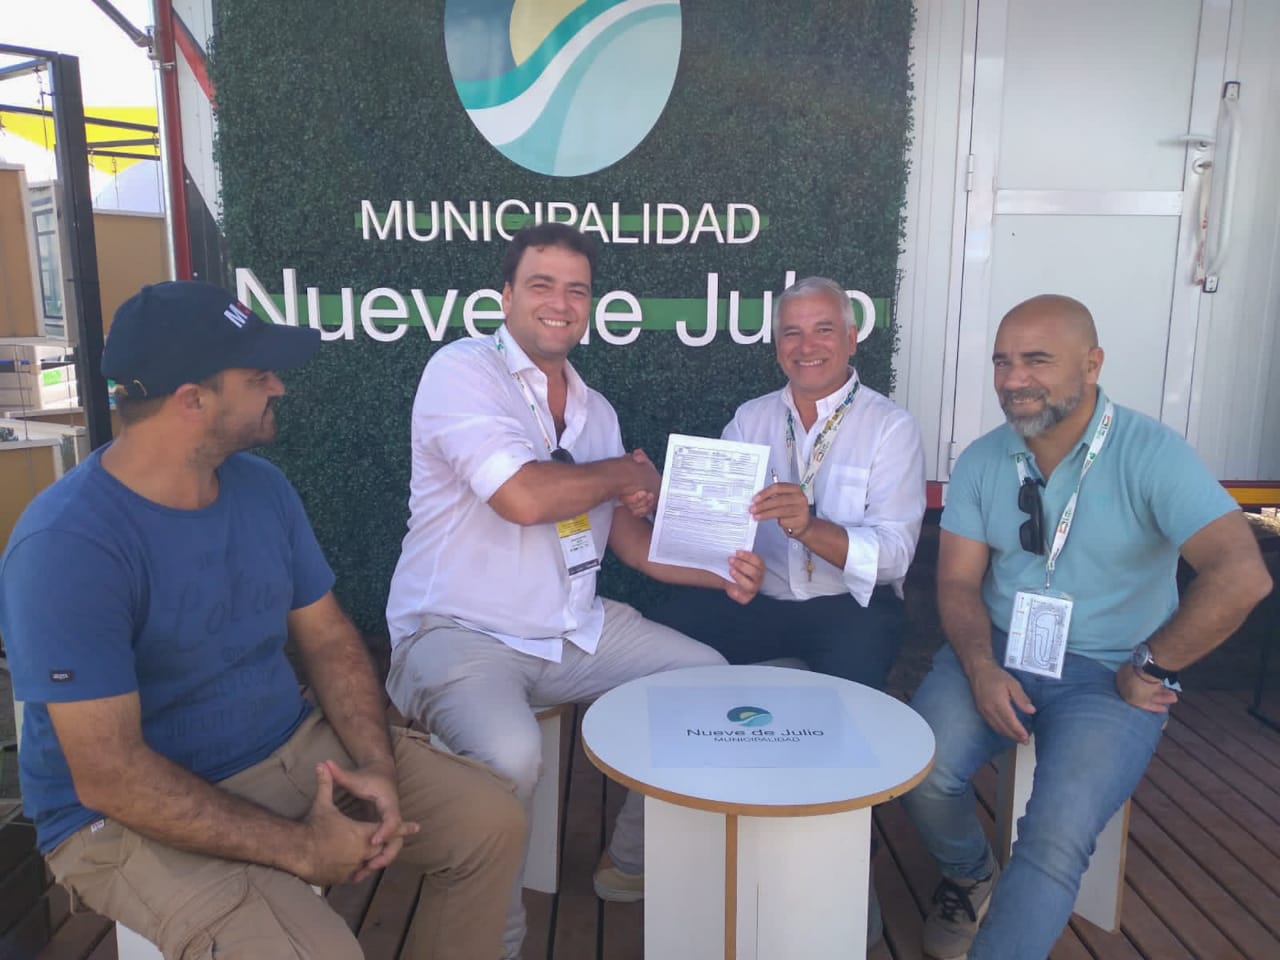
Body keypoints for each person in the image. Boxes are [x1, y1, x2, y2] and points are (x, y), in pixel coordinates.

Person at [0, 281, 525, 960]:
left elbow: (329, 639)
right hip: (120, 815)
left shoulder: (261, 487)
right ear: (192, 400)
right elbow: (109, 775)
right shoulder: (68, 545)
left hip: (288, 747)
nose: (278, 385)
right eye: (257, 376)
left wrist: (376, 766)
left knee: (491, 824)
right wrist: (303, 848)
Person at [383, 222, 764, 959]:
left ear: (590, 305)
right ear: (506, 297)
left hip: (568, 629)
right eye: (542, 285)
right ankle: (497, 943)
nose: (560, 303)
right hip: (457, 633)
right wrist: (626, 473)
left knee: (704, 678)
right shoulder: (462, 370)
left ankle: (629, 860)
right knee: (511, 754)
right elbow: (523, 498)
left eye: (577, 290)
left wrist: (721, 571)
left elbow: (626, 539)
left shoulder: (596, 411)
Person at [901, 294, 1272, 960]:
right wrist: (981, 667)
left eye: (1036, 360)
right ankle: (972, 874)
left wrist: (1153, 664)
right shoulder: (984, 459)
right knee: (921, 771)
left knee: (1053, 840)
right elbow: (956, 583)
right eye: (1002, 362)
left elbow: (1243, 575)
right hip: (997, 651)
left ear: (1092, 364)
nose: (1013, 380)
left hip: (1111, 672)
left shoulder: (1151, 453)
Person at [651, 276, 926, 691]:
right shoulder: (750, 419)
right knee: (666, 640)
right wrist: (659, 501)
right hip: (759, 600)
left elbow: (895, 557)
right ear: (778, 345)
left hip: (850, 607)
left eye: (823, 330)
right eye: (792, 333)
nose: (806, 347)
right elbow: (715, 523)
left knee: (849, 703)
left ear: (851, 339)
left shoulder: (891, 427)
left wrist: (810, 528)